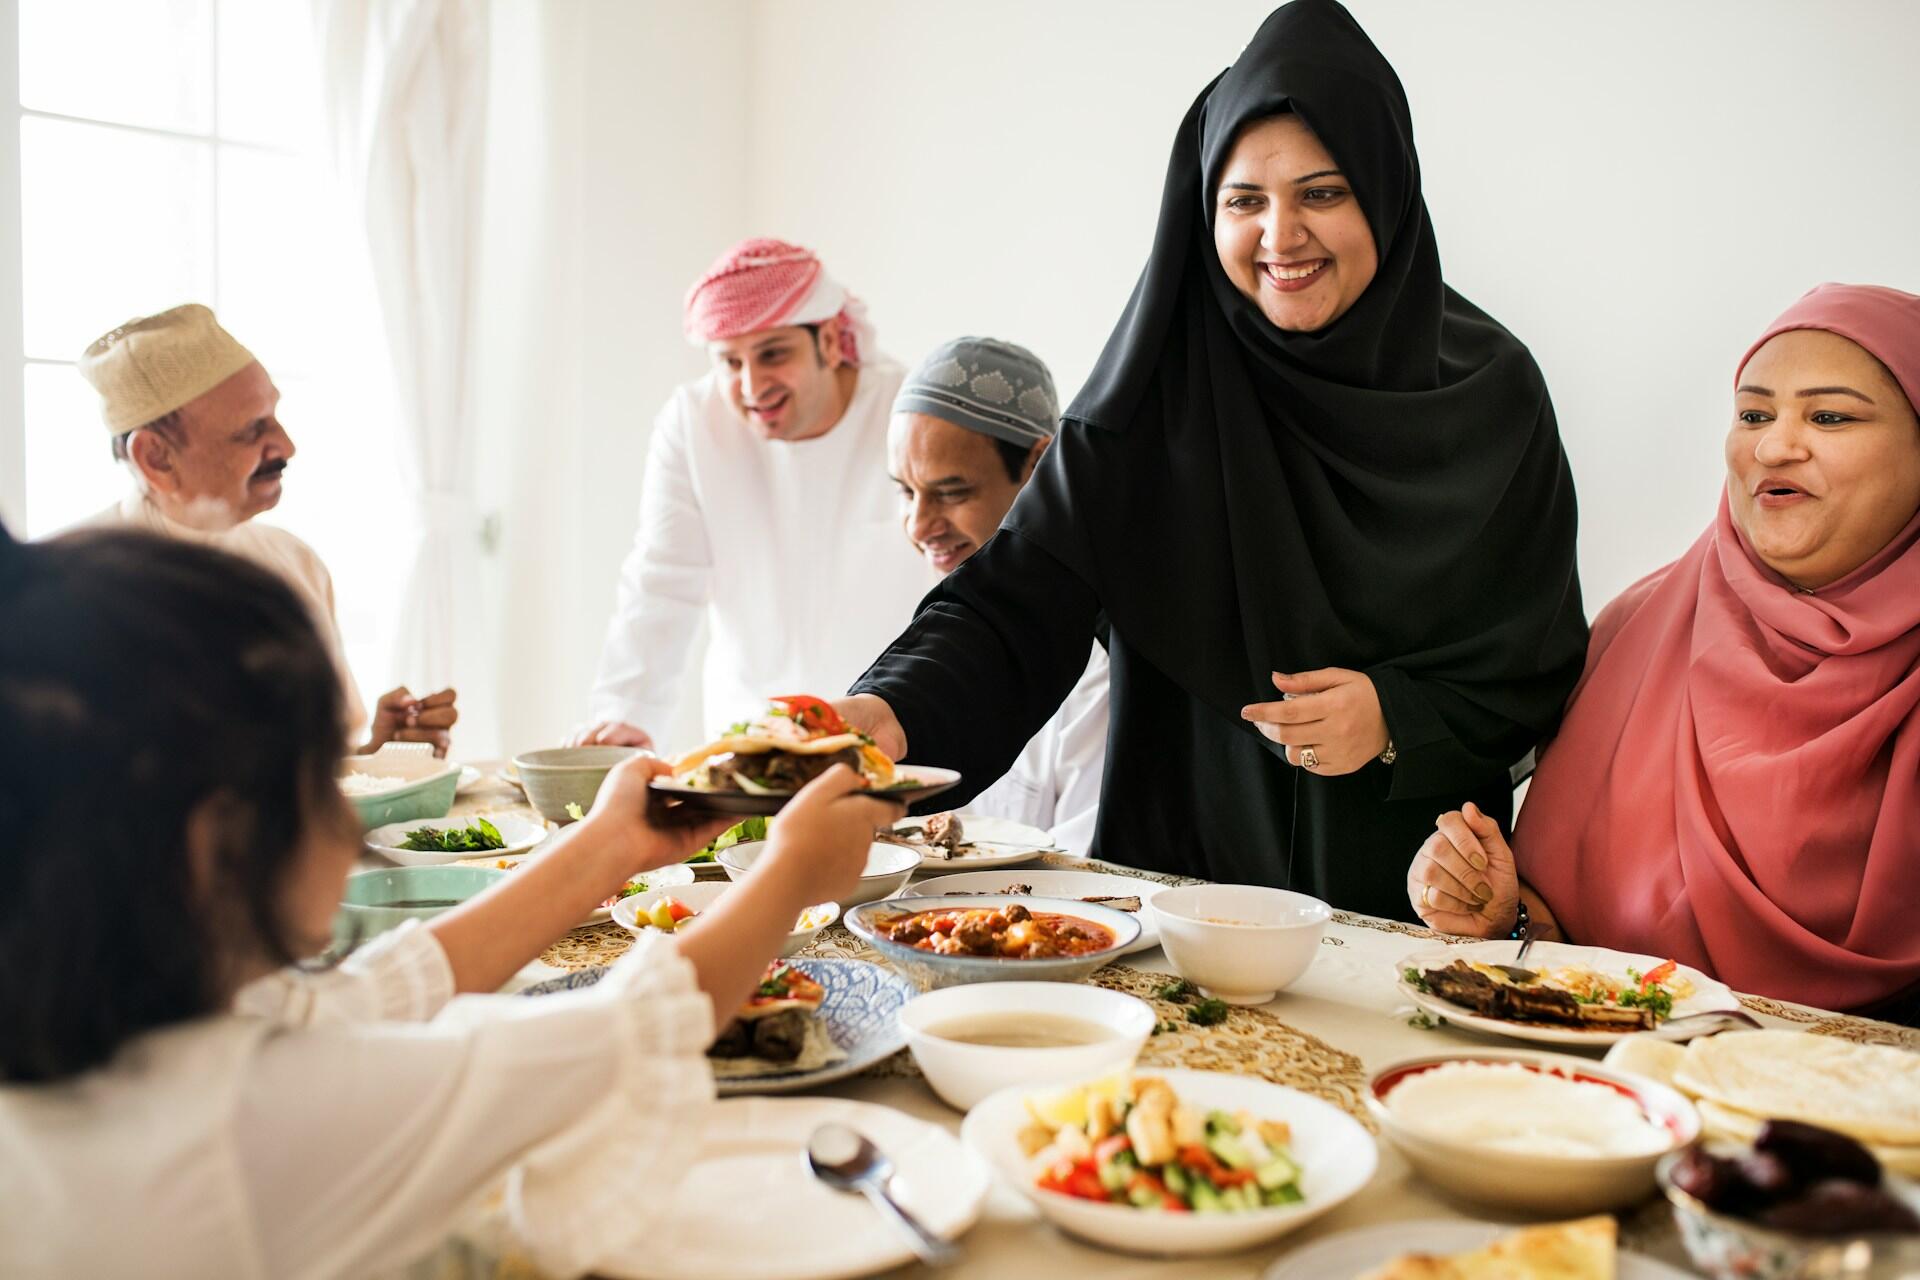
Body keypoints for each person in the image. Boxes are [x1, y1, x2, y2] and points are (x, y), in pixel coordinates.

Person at [839, 0, 1587, 920]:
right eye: (1244, 200)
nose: (1281, 235)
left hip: (1406, 893)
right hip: (1180, 890)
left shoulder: (1492, 397)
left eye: (1323, 192)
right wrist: (887, 716)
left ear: (1387, 191)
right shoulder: (1151, 396)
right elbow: (1013, 606)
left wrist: (1396, 720)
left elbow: (1535, 659)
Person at [0, 522, 902, 1278]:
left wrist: (611, 846)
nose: (355, 825)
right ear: (217, 844)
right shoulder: (257, 1130)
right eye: (327, 773)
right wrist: (789, 875)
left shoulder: (130, 1040)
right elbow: (629, 1028)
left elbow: (373, 992)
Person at [1409, 283, 1920, 1019]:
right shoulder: (1639, 632)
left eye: (1831, 416)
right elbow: (1567, 938)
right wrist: (1498, 916)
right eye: (1753, 414)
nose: (1774, 445)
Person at [573, 238, 934, 750]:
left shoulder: (909, 415)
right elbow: (661, 581)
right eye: (730, 362)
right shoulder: (693, 423)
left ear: (830, 340)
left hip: (894, 736)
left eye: (773, 354)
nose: (750, 385)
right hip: (748, 741)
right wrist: (627, 712)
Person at [72, 303, 458, 755]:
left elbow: (315, 765)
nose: (286, 445)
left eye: (273, 415)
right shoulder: (73, 593)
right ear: (156, 458)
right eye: (252, 430)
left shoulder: (295, 562)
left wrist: (381, 750)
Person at [888, 337, 1108, 853]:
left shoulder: (1102, 668)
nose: (920, 525)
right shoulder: (921, 631)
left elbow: (1092, 882)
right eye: (905, 490)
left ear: (1039, 466)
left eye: (951, 491)